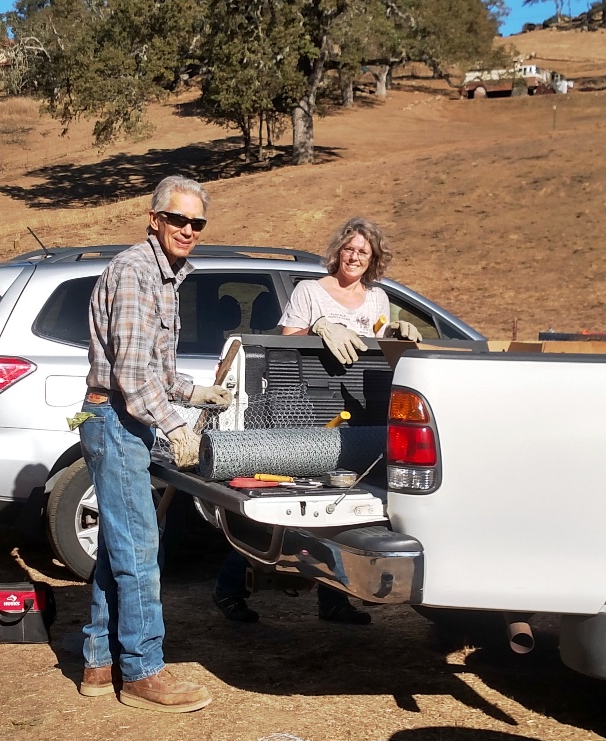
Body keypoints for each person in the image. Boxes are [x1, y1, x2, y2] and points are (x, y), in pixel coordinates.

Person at [211, 216, 421, 626]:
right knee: (282, 508)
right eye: (349, 248)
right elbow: (285, 346)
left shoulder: (377, 298)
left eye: (364, 251)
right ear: (338, 251)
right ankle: (229, 588)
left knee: (342, 511)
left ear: (373, 257)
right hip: (304, 410)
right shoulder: (310, 291)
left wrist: (394, 332)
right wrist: (319, 327)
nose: (355, 256)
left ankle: (333, 601)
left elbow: (377, 349)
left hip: (357, 410)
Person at [78, 175, 231, 713]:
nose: (188, 230)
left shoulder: (167, 278)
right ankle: (143, 670)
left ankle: (99, 662)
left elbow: (158, 374)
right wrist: (177, 427)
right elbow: (131, 378)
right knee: (142, 549)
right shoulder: (136, 273)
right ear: (154, 219)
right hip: (115, 419)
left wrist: (198, 393)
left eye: (197, 223)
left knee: (121, 545)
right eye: (178, 219)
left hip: (125, 420)